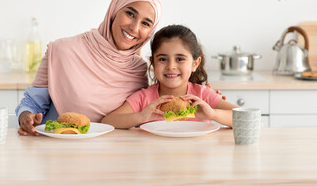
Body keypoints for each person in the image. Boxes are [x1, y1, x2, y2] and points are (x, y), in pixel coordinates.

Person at [15, 0, 162, 136]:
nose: (134, 27)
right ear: (114, 11)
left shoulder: (138, 70)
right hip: (60, 150)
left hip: (114, 154)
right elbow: (32, 103)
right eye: (130, 14)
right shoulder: (63, 50)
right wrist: (26, 116)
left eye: (145, 23)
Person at [101, 25, 237, 129]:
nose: (171, 66)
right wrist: (141, 116)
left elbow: (243, 117)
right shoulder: (144, 98)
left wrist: (213, 114)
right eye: (162, 59)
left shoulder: (203, 95)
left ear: (195, 64)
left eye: (179, 59)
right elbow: (108, 121)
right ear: (153, 62)